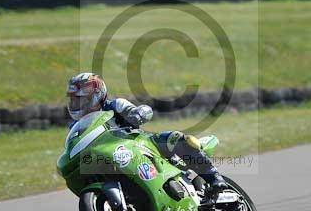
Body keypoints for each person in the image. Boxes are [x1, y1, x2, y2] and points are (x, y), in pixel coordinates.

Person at [66, 72, 227, 193]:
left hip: (140, 143)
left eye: (82, 99)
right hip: (108, 156)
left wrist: (138, 114)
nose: (77, 104)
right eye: (74, 100)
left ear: (97, 95)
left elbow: (141, 111)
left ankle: (215, 178)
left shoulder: (115, 105)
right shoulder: (76, 126)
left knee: (176, 139)